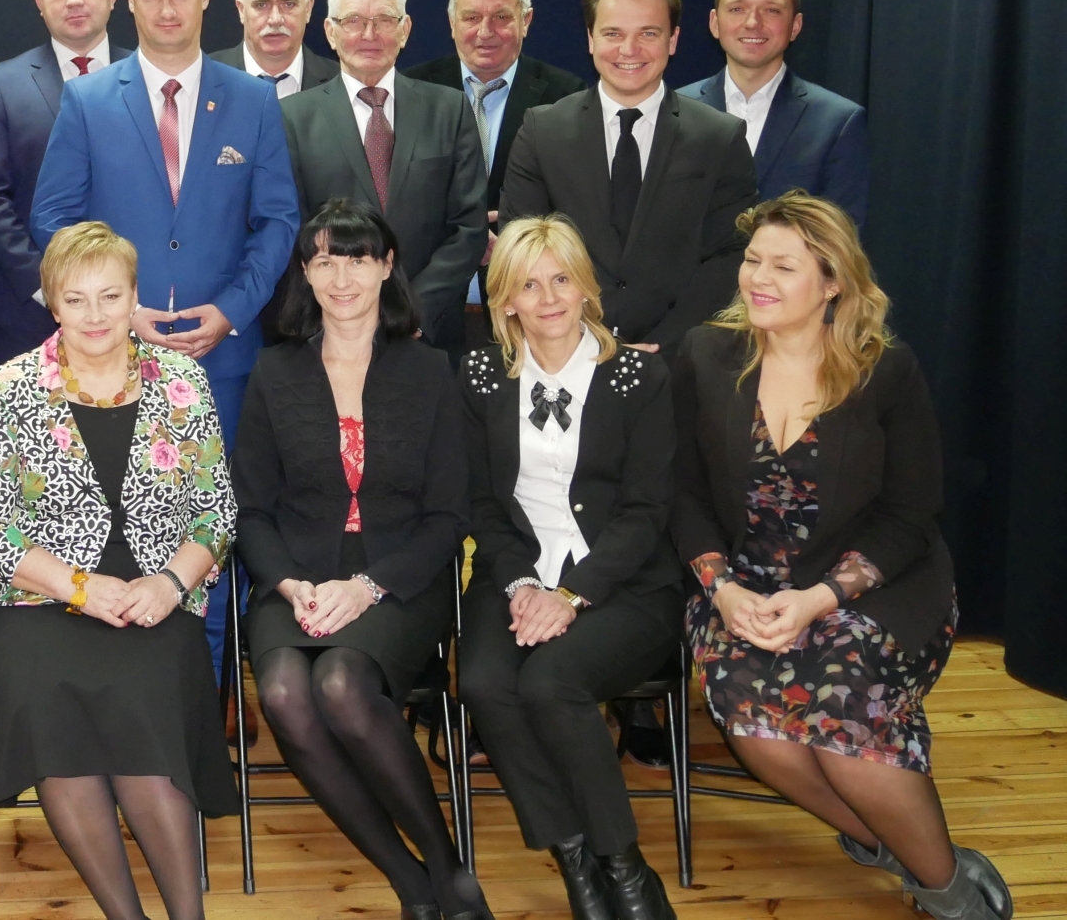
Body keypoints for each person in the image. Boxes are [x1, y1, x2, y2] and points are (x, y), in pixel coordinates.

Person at [673, 195, 1008, 920]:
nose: (757, 278)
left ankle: (948, 893)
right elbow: (682, 493)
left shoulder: (885, 371)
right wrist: (722, 590)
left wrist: (820, 598)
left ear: (832, 283)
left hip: (868, 585)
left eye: (783, 266)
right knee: (757, 730)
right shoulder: (705, 353)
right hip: (743, 587)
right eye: (752, 260)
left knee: (843, 709)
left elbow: (911, 515)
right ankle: (899, 844)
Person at [28, 0, 300, 671]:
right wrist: (122, 311)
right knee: (122, 534)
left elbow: (279, 221)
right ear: (129, 1)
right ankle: (124, 699)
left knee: (212, 536)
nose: (168, 9)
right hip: (110, 363)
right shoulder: (89, 98)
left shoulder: (253, 99)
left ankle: (203, 706)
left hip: (225, 360)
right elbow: (52, 218)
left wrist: (233, 309)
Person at [0, 221, 238, 920]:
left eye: (110, 296)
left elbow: (216, 514)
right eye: (75, 299)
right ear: (52, 302)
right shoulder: (9, 387)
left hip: (155, 598)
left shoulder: (182, 382)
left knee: (146, 721)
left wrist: (169, 584)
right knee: (51, 712)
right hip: (40, 601)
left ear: (134, 296)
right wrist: (78, 587)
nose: (94, 315)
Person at [234, 200, 490, 920]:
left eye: (357, 259)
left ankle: (449, 873)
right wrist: (290, 584)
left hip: (399, 576)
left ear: (386, 267)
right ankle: (409, 880)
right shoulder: (275, 371)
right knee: (284, 692)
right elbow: (250, 509)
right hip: (295, 576)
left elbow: (450, 516)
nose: (341, 277)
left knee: (342, 685)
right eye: (324, 261)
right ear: (306, 273)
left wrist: (368, 586)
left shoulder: (430, 370)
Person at [456, 215, 684, 920]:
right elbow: (481, 504)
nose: (548, 297)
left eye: (561, 279)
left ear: (586, 286)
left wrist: (572, 594)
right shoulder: (480, 375)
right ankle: (576, 858)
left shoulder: (639, 376)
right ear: (504, 300)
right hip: (516, 574)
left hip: (625, 583)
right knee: (485, 683)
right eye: (528, 284)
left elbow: (647, 511)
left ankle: (625, 869)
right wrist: (525, 583)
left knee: (551, 683)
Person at [499, 0, 757, 359]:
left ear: (673, 40)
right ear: (590, 39)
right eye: (613, 34)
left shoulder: (720, 137)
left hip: (680, 359)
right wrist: (583, 342)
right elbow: (521, 247)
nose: (629, 49)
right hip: (566, 354)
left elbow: (731, 256)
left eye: (648, 34)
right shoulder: (541, 131)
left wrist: (661, 346)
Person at [282, 0, 485, 352]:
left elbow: (468, 228)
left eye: (384, 20)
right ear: (330, 31)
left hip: (429, 334)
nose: (369, 34)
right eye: (354, 21)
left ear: (405, 29)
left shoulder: (450, 109)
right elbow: (293, 229)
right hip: (331, 332)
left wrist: (412, 311)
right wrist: (347, 307)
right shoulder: (292, 118)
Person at [405, 0, 586, 348]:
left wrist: (508, 236)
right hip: (431, 309)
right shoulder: (411, 89)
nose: (485, 32)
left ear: (526, 21)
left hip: (527, 308)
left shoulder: (566, 95)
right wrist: (470, 237)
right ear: (452, 23)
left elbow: (574, 201)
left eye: (502, 17)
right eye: (471, 17)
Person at [0, 0, 121, 369]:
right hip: (30, 316)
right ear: (39, 1)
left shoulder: (150, 79)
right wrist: (49, 286)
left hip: (134, 311)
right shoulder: (3, 84)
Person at [677, 0, 868, 229]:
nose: (752, 22)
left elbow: (839, 235)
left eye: (771, 10)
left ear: (795, 26)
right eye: (737, 9)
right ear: (715, 22)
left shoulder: (838, 122)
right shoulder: (674, 110)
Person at [210, 0, 337, 98]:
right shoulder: (205, 76)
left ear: (308, 9)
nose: (275, 19)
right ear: (241, 11)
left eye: (288, 4)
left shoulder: (340, 82)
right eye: (261, 5)